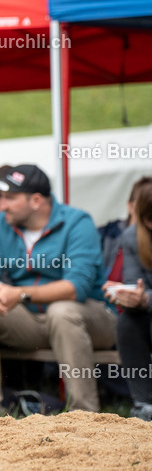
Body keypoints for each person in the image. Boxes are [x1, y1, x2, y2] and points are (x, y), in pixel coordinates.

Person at [0, 164, 117, 412]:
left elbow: (77, 287)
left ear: (36, 200)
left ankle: (84, 413)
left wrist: (20, 294)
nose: (1, 205)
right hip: (34, 321)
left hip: (93, 320)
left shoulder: (77, 222)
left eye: (10, 198)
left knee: (62, 311)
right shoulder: (4, 225)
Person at [104, 177, 152, 421]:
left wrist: (145, 300)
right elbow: (134, 281)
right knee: (128, 321)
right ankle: (144, 404)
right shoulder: (132, 236)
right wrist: (128, 295)